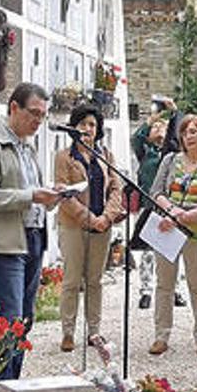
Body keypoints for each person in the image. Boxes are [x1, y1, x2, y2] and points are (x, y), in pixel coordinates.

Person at [0, 82, 64, 380]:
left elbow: (31, 193)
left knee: (25, 321)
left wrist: (52, 195)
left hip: (32, 238)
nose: (38, 121)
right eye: (33, 113)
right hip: (2, 245)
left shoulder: (27, 148)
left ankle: (12, 387)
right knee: (8, 322)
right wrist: (31, 196)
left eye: (43, 116)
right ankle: (1, 390)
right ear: (14, 108)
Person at [148, 115, 197, 358]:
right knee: (164, 285)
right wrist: (172, 212)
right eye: (185, 132)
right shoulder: (170, 161)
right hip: (166, 230)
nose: (189, 136)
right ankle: (161, 336)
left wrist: (185, 216)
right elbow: (156, 192)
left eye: (195, 131)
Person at [54, 104, 124, 353]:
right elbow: (63, 192)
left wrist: (106, 216)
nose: (87, 129)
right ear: (74, 126)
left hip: (102, 226)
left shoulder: (106, 155)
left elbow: (116, 188)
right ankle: (68, 332)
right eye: (83, 124)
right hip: (73, 225)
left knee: (95, 280)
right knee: (72, 280)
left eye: (92, 125)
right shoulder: (64, 156)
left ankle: (94, 331)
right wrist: (88, 218)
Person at [130, 116, 187, 310]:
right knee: (147, 252)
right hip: (149, 205)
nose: (158, 129)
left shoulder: (172, 153)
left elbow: (177, 134)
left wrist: (171, 117)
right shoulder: (145, 152)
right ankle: (146, 290)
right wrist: (151, 120)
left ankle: (175, 290)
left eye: (161, 127)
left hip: (169, 205)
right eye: (155, 127)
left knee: (171, 250)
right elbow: (136, 138)